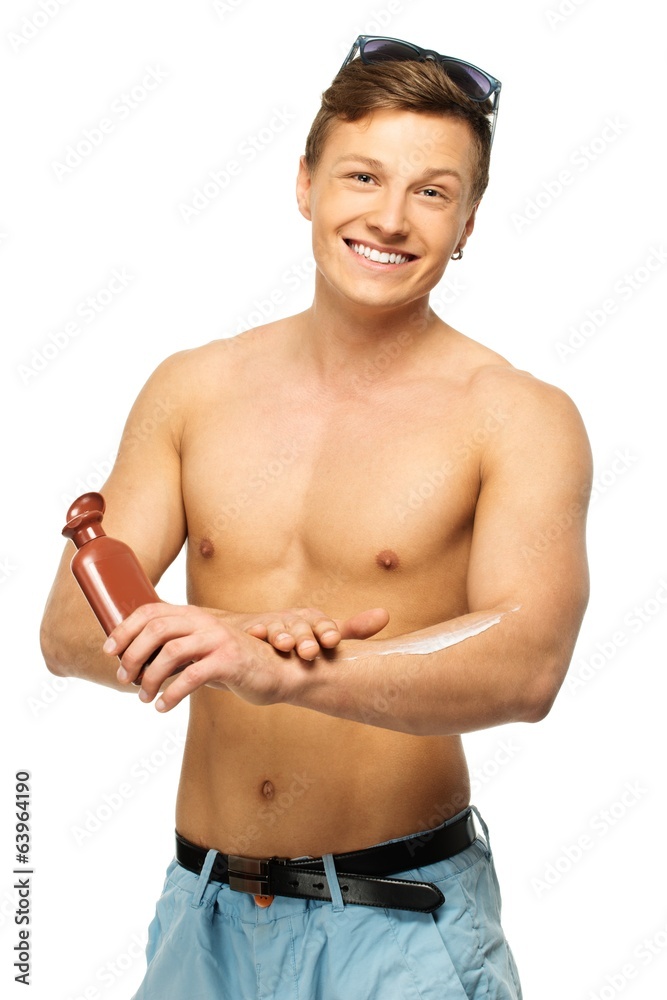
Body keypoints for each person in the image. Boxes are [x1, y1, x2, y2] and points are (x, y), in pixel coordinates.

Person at [41, 34, 592, 999]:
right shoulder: (192, 389)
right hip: (201, 917)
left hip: (403, 924)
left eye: (432, 191)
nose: (389, 216)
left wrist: (279, 670)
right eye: (362, 175)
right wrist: (235, 636)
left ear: (468, 220)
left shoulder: (517, 415)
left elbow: (528, 663)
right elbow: (70, 632)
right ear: (304, 184)